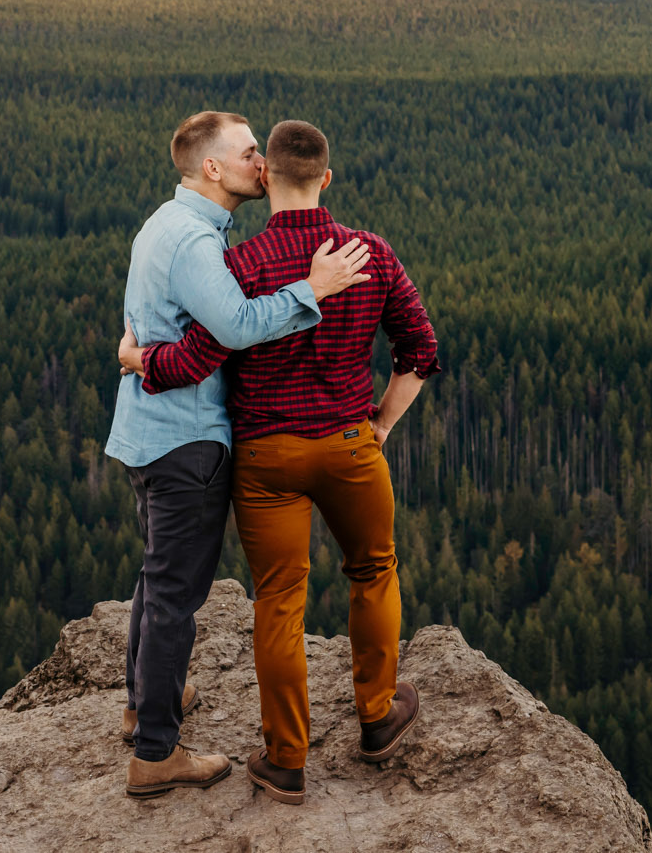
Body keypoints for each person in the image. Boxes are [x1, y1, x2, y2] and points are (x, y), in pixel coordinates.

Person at [121, 118, 439, 806]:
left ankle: (286, 760)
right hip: (351, 446)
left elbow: (196, 358)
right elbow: (421, 351)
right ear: (327, 179)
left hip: (265, 458)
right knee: (374, 571)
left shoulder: (240, 265)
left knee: (279, 604)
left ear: (268, 182)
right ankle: (379, 718)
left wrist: (139, 358)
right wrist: (380, 423)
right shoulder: (370, 253)